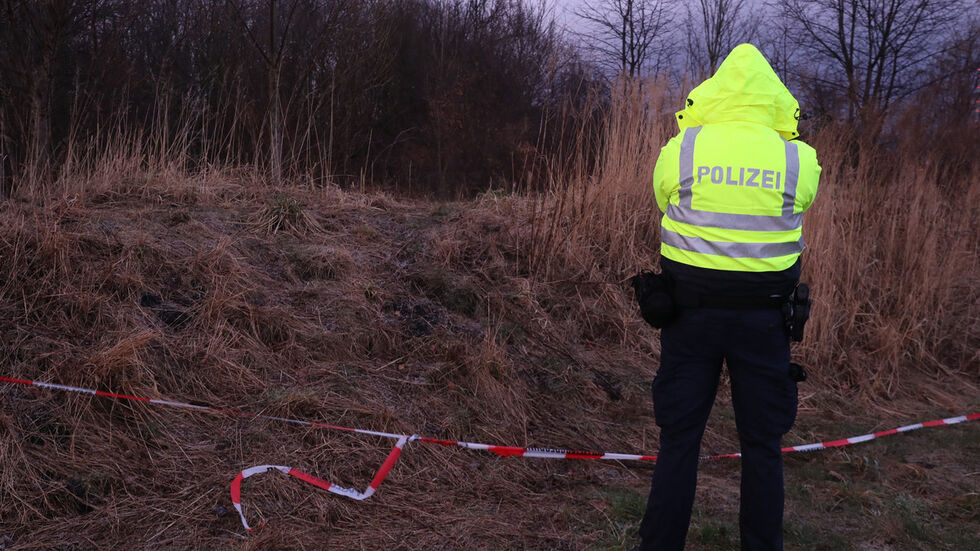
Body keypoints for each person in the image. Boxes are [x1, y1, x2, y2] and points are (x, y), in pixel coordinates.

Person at [636, 44, 821, 551]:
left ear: (715, 94)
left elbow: (662, 197)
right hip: (764, 323)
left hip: (689, 316)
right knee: (762, 446)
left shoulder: (684, 149)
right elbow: (803, 202)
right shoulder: (796, 158)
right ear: (774, 99)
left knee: (679, 440)